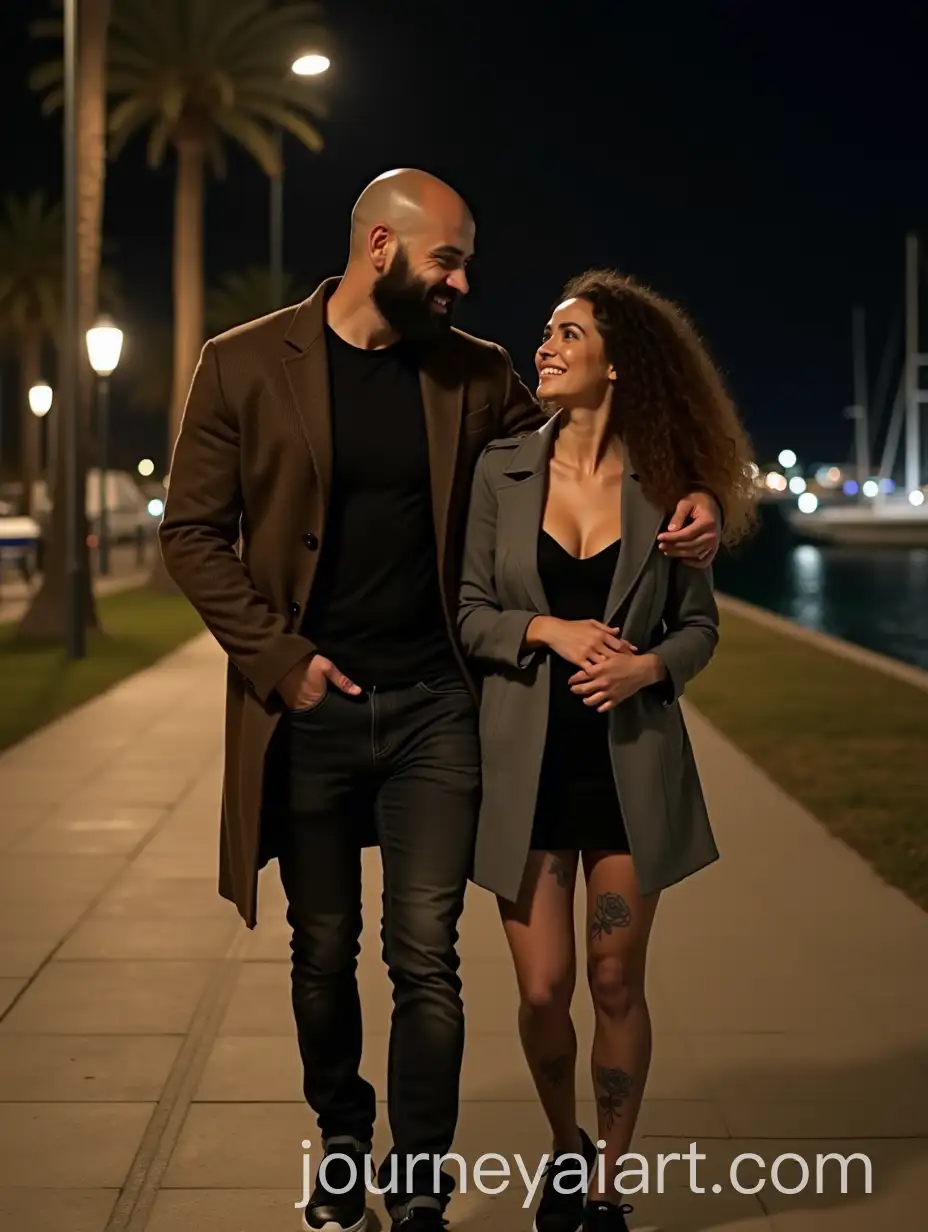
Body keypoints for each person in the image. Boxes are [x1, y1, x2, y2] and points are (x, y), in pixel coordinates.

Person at [158, 172, 724, 1232]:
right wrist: (282, 658)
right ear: (382, 248)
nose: (466, 282)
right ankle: (341, 1140)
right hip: (306, 708)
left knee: (426, 951)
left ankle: (419, 1177)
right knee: (321, 947)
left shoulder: (477, 374)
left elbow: (586, 447)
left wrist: (697, 499)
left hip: (435, 708)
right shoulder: (241, 363)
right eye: (449, 260)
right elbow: (190, 532)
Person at [457, 269, 756, 1232]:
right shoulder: (500, 469)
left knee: (616, 978)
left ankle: (604, 1179)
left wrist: (646, 671)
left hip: (629, 765)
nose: (544, 345)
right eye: (547, 329)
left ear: (618, 363)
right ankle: (563, 1144)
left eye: (568, 333)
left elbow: (699, 630)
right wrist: (550, 630)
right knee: (544, 989)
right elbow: (470, 614)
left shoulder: (671, 490)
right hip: (525, 767)